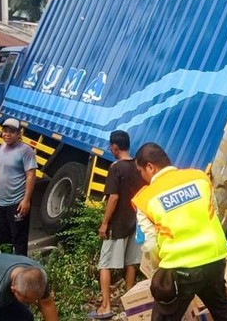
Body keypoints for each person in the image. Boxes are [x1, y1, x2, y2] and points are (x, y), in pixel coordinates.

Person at [132, 142, 227, 321]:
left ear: (150, 167)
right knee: (223, 309)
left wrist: (159, 273)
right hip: (215, 258)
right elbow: (214, 212)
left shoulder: (146, 198)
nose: (142, 176)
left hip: (181, 268)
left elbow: (151, 244)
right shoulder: (199, 177)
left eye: (141, 171)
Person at [88, 130, 144, 320]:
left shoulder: (116, 168)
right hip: (134, 223)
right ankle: (129, 301)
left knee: (105, 264)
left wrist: (104, 223)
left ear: (114, 147)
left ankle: (105, 306)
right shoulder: (137, 166)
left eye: (110, 146)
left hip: (118, 225)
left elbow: (113, 198)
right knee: (130, 263)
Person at [0, 118, 36, 256]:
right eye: (5, 131)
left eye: (11, 132)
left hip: (17, 203)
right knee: (3, 237)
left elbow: (31, 175)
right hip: (1, 202)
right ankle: (7, 264)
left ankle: (21, 269)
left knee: (19, 239)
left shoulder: (25, 150)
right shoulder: (2, 148)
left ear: (19, 134)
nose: (7, 134)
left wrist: (26, 200)